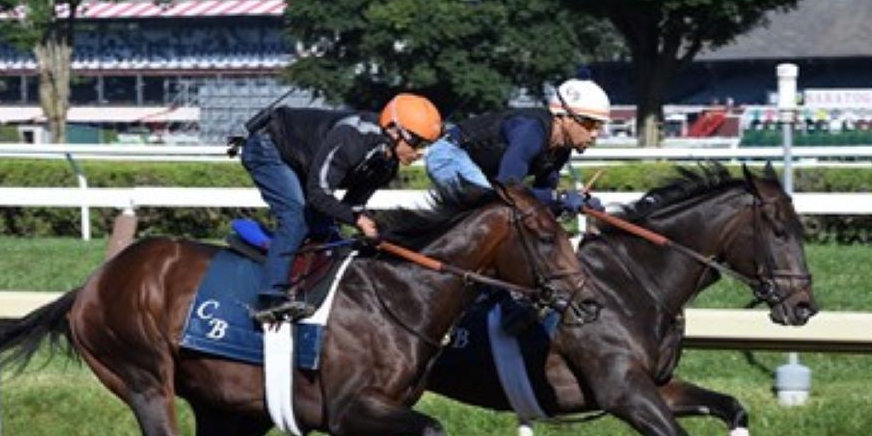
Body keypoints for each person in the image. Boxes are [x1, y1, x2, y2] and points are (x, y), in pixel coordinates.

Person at [240, 93, 444, 322]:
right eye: (417, 142)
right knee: (295, 217)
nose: (420, 152)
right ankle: (270, 297)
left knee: (325, 230)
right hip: (269, 146)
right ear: (395, 130)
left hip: (301, 160)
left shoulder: (386, 165)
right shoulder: (351, 138)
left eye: (426, 145)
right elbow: (319, 194)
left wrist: (368, 225)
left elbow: (352, 205)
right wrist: (358, 220)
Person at [425, 78, 610, 215]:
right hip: (448, 153)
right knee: (492, 207)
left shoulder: (561, 150)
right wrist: (560, 198)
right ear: (564, 117)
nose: (594, 134)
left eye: (599, 127)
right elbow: (508, 190)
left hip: (480, 169)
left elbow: (544, 201)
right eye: (589, 124)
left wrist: (577, 205)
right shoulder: (531, 131)